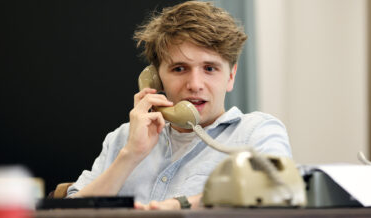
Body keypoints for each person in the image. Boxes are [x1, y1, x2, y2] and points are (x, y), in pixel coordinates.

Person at [67, 1, 292, 210]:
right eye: (179, 69)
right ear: (156, 78)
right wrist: (130, 155)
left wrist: (181, 206)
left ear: (231, 76)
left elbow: (276, 189)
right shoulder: (122, 139)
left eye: (210, 68)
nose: (195, 85)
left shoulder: (258, 132)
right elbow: (68, 213)